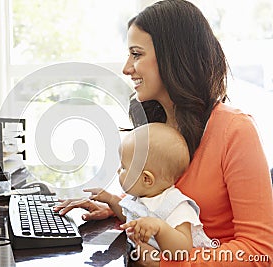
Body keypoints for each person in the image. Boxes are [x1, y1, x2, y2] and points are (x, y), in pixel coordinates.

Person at [54, 0, 273, 266]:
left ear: (174, 57)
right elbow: (165, 194)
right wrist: (120, 208)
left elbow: (260, 252)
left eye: (136, 54)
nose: (126, 68)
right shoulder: (157, 121)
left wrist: (168, 263)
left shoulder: (236, 130)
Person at [86, 122, 212, 260]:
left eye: (123, 167)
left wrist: (160, 228)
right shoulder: (139, 197)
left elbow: (183, 250)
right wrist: (110, 199)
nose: (118, 171)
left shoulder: (176, 206)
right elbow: (129, 217)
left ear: (146, 179)